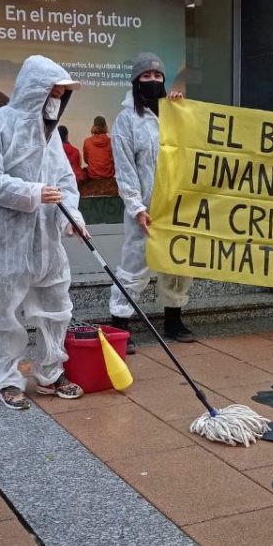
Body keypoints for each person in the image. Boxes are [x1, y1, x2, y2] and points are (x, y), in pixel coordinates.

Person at [0, 55, 88, 410]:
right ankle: (7, 378)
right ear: (35, 90)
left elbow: (65, 184)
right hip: (4, 241)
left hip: (45, 242)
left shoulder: (51, 139)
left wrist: (71, 218)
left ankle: (50, 373)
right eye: (54, 92)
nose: (57, 101)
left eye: (62, 95)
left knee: (56, 305)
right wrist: (32, 193)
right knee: (3, 311)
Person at [108, 52, 192, 351]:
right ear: (136, 81)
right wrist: (136, 206)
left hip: (177, 206)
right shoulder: (126, 120)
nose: (153, 81)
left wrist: (182, 111)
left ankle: (173, 319)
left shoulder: (174, 113)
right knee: (135, 267)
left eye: (158, 76)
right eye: (147, 76)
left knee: (178, 264)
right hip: (144, 208)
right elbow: (125, 168)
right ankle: (120, 324)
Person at [83, 115, 115, 179]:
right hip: (108, 174)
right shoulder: (111, 142)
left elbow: (86, 160)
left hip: (92, 175)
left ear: (93, 127)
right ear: (105, 127)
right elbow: (115, 160)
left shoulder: (87, 142)